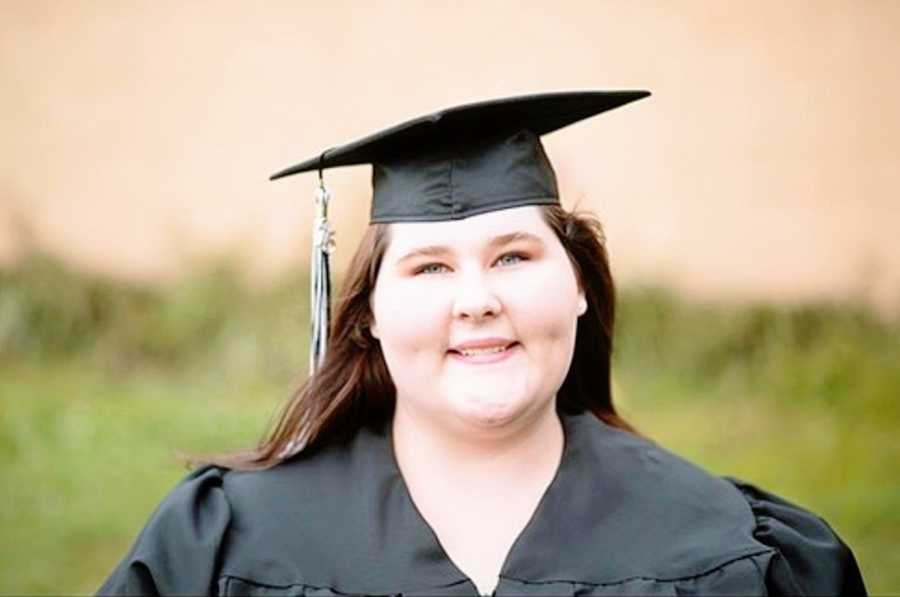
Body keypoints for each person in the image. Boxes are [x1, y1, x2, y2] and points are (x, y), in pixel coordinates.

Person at [98, 91, 866, 596]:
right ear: (368, 314)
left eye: (513, 256)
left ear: (579, 284)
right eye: (430, 267)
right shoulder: (224, 545)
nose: (478, 300)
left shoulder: (742, 554)